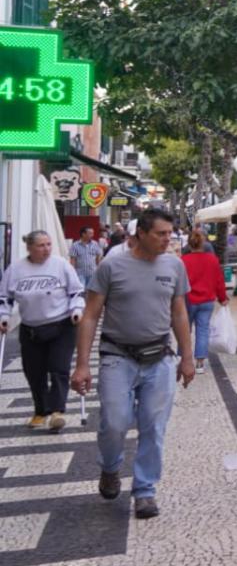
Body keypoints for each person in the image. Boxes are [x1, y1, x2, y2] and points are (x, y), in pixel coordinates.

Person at [71, 209, 193, 520]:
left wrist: (187, 357)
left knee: (154, 426)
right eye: (161, 234)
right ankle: (110, 468)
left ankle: (145, 491)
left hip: (160, 358)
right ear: (141, 233)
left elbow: (179, 313)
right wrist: (82, 365)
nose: (168, 239)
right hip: (117, 356)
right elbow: (90, 316)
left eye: (170, 233)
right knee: (115, 421)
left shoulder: (174, 266)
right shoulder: (112, 266)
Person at [0, 231, 86, 430]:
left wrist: (77, 309)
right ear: (29, 247)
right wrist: (4, 317)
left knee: (58, 368)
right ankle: (41, 411)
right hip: (31, 328)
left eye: (48, 244)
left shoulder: (61, 265)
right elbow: (5, 298)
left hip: (61, 325)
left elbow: (76, 291)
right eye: (41, 245)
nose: (46, 249)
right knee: (34, 372)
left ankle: (57, 411)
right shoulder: (16, 269)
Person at [181, 232, 229, 371]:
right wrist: (222, 298)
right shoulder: (212, 259)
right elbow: (219, 281)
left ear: (189, 244)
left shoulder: (183, 260)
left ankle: (184, 359)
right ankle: (200, 364)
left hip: (188, 300)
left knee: (185, 330)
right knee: (203, 330)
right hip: (207, 300)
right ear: (203, 244)